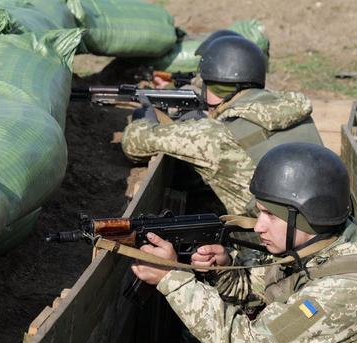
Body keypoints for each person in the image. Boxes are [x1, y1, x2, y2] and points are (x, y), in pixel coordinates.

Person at [131, 142, 357, 343]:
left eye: (270, 215)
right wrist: (222, 270)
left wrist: (172, 280)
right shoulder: (325, 245)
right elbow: (263, 286)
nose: (258, 227)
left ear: (306, 215)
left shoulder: (348, 293)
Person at [122, 35, 323, 216]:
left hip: (263, 244)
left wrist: (146, 114)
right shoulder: (289, 109)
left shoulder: (215, 136)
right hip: (318, 219)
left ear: (214, 87)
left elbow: (133, 143)